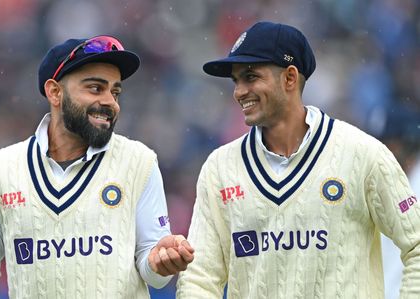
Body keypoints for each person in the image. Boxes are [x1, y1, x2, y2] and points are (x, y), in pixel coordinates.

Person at [176, 21, 420, 298]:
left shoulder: (362, 153)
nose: (239, 91)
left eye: (250, 76)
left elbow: (416, 246)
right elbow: (200, 277)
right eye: (236, 80)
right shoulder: (220, 168)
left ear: (290, 78)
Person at [0, 35, 194, 298]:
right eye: (95, 88)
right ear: (55, 92)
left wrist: (159, 263)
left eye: (115, 92)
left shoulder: (139, 161)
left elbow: (154, 272)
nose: (110, 102)